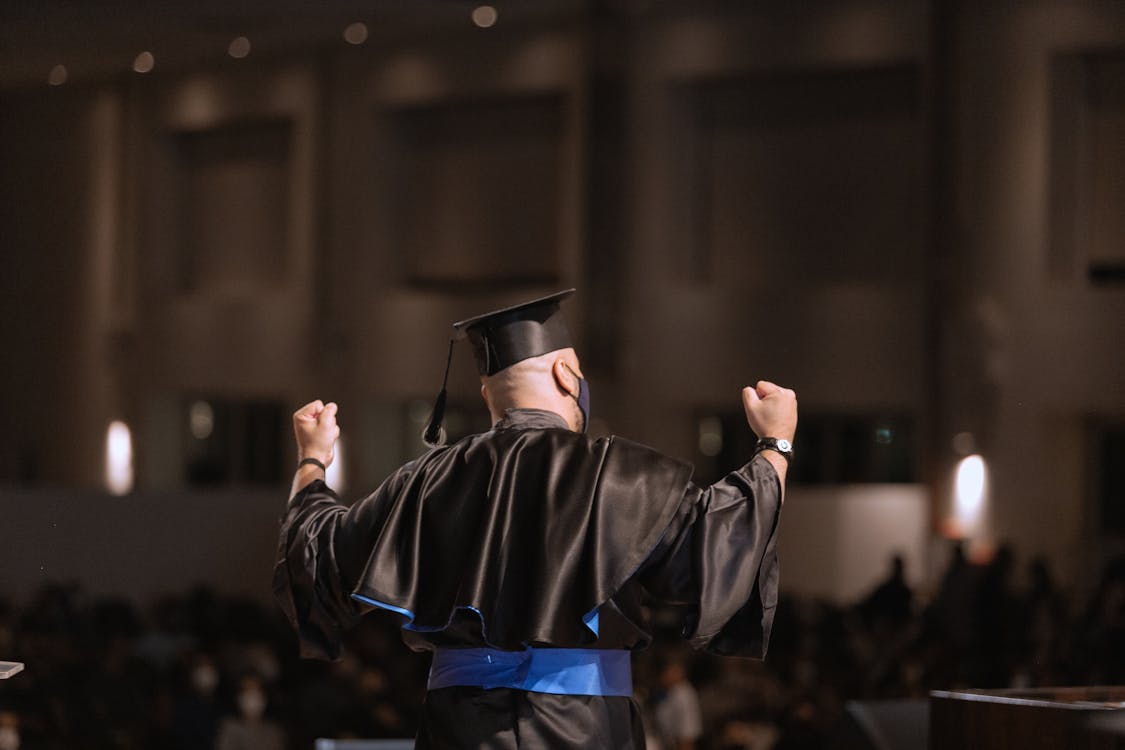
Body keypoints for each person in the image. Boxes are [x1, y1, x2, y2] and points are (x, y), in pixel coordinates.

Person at [274, 289, 797, 749]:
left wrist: (312, 458)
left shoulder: (423, 481)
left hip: (458, 731)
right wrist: (775, 445)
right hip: (585, 729)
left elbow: (316, 557)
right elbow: (720, 542)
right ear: (566, 375)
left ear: (486, 397)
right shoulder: (619, 475)